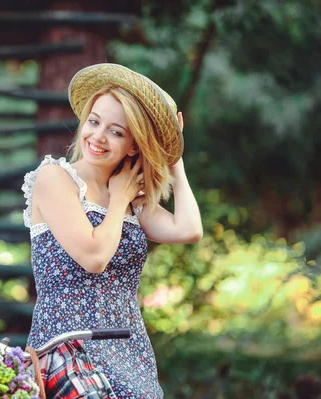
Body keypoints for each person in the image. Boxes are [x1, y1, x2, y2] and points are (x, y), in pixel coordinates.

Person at [22, 63, 203, 398]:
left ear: (134, 145)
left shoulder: (132, 195)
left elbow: (189, 229)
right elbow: (94, 257)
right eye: (94, 121)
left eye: (116, 132)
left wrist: (174, 158)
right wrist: (119, 200)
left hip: (128, 349)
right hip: (65, 348)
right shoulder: (55, 178)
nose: (98, 137)